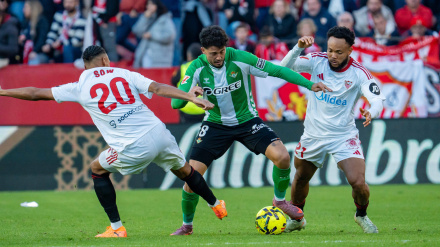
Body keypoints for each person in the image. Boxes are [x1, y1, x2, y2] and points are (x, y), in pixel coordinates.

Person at [0, 45, 227, 238]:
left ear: (86, 66)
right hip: (159, 132)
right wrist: (188, 96)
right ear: (106, 60)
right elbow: (158, 88)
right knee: (185, 171)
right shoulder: (125, 73)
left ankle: (117, 228)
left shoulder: (79, 87)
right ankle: (215, 204)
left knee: (97, 169)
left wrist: (4, 92)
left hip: (132, 146)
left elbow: (35, 93)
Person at [170, 25, 331, 235]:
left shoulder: (240, 58)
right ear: (203, 51)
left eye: (221, 52)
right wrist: (191, 95)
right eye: (213, 54)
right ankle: (187, 226)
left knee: (282, 157)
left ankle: (280, 201)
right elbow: (175, 104)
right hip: (215, 124)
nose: (218, 57)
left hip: (247, 121)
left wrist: (309, 85)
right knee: (191, 178)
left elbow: (278, 70)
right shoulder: (195, 68)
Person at [280, 26, 385, 233]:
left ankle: (361, 215)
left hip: (343, 136)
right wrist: (298, 48)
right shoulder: (317, 60)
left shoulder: (359, 73)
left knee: (358, 182)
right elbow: (283, 68)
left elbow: (377, 98)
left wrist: (372, 111)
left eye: (339, 52)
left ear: (349, 51)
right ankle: (297, 218)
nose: (333, 56)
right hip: (313, 134)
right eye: (330, 50)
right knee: (301, 177)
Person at [132, 0, 176, 68]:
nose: (149, 6)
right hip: (145, 56)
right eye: (148, 4)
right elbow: (136, 31)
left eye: (152, 4)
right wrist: (144, 18)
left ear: (157, 6)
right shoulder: (147, 18)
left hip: (160, 59)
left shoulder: (165, 19)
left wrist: (152, 35)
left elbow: (170, 35)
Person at [171, 42, 206, 123]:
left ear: (189, 55)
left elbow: (173, 81)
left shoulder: (183, 67)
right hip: (204, 108)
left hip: (186, 108)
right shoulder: (208, 68)